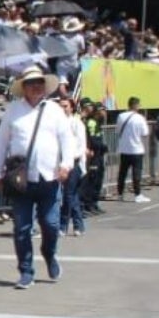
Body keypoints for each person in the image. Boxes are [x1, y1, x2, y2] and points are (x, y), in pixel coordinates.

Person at [0, 66, 73, 289]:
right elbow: (1, 144)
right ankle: (26, 270)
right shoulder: (13, 110)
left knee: (50, 223)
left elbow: (67, 139)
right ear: (24, 87)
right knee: (22, 227)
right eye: (31, 83)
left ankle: (49, 253)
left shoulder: (55, 110)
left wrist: (66, 164)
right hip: (22, 180)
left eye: (39, 82)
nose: (36, 86)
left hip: (49, 176)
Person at [58, 97, 87, 237]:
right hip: (60, 162)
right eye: (61, 106)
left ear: (71, 108)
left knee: (68, 195)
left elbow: (81, 146)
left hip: (73, 163)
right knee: (72, 196)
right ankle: (78, 225)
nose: (63, 108)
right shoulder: (56, 123)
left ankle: (63, 226)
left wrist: (73, 159)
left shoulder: (76, 123)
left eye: (65, 106)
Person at [115, 96, 150, 202]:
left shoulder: (121, 116)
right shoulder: (140, 118)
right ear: (136, 105)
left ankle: (120, 194)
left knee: (122, 172)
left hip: (124, 149)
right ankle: (137, 194)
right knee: (136, 172)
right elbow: (145, 133)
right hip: (136, 149)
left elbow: (117, 130)